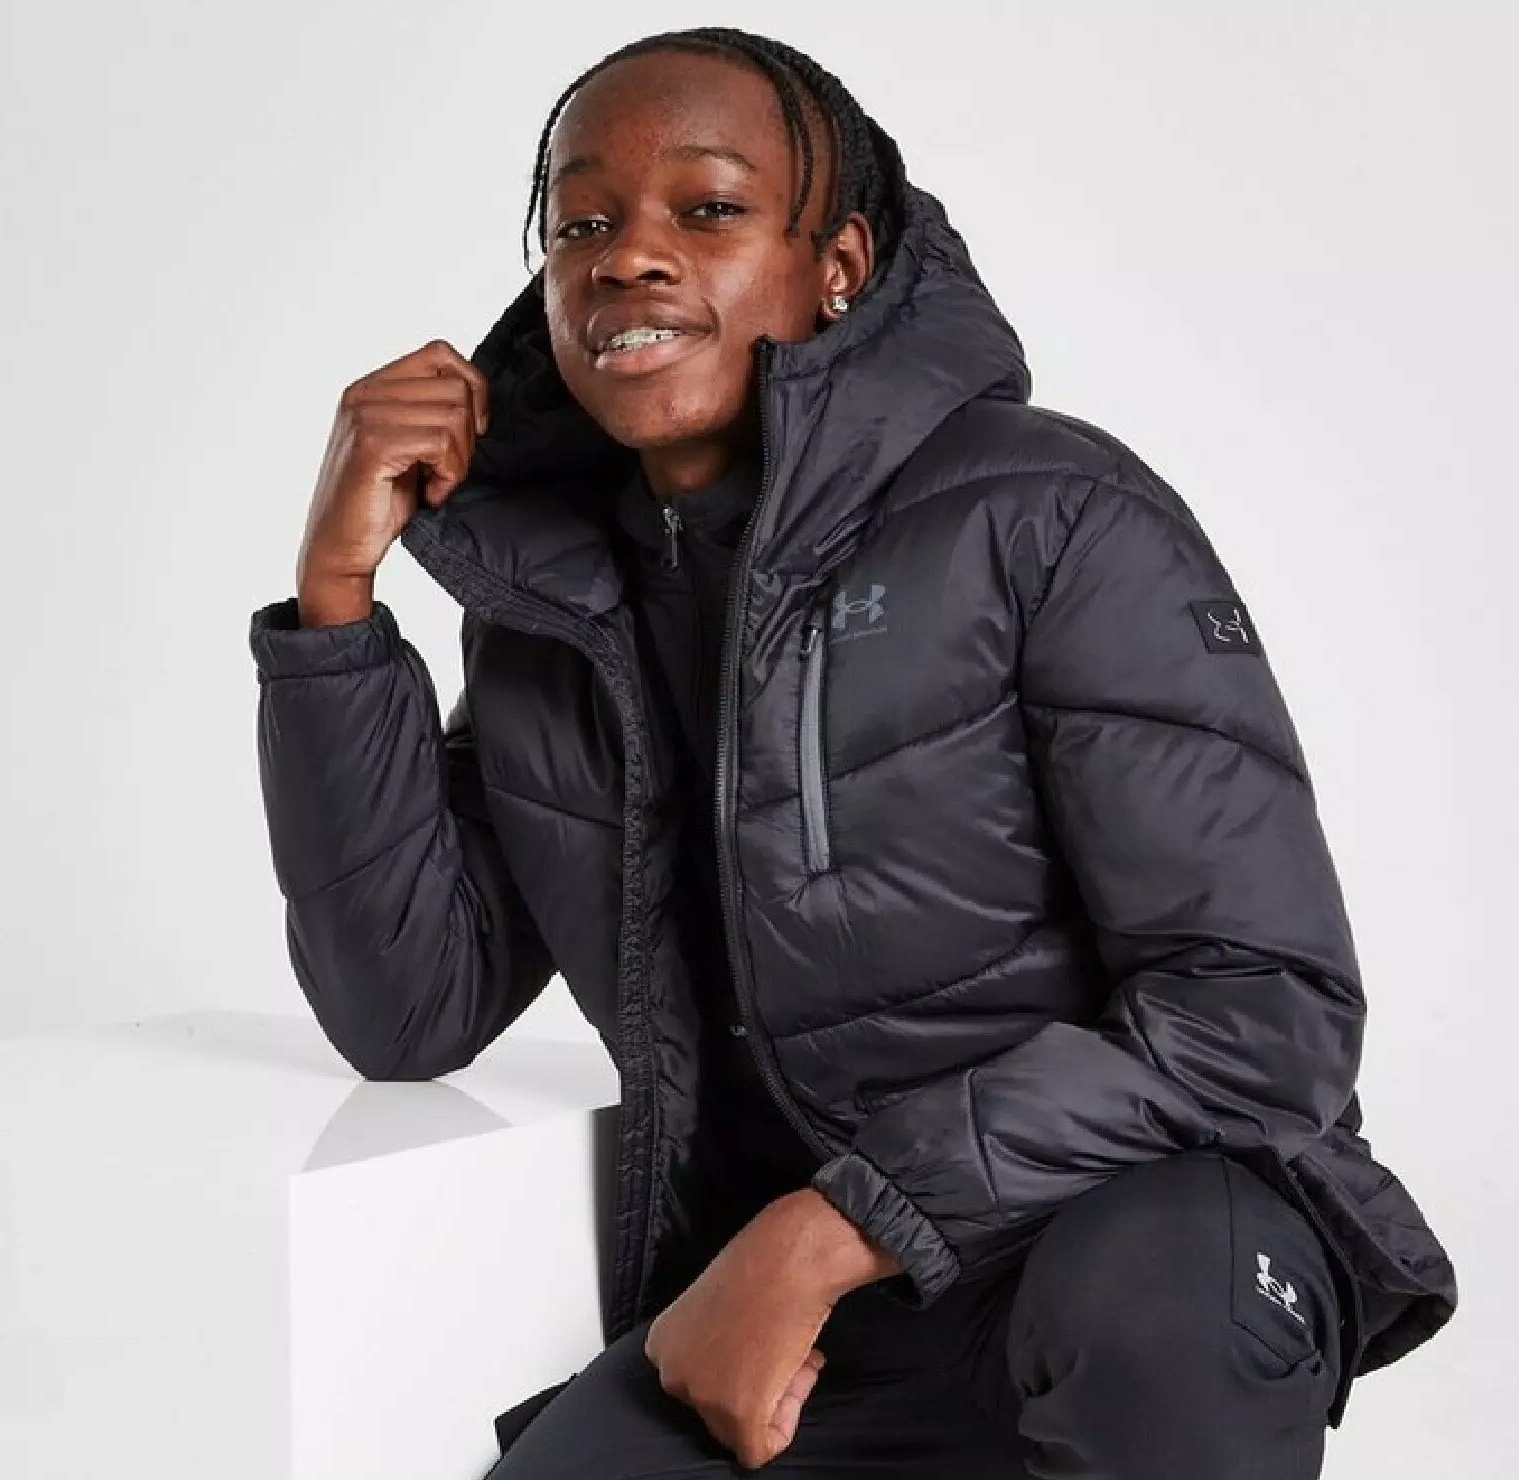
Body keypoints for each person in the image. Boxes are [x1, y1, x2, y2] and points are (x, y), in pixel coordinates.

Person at [247, 25, 1457, 1480]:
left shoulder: (1050, 514)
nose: (629, 258)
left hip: (1132, 1240)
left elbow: (1263, 1015)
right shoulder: (556, 615)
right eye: (581, 225)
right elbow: (409, 1010)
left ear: (839, 265)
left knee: (1149, 1312)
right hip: (807, 1318)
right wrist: (334, 604)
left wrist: (828, 1233)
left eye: (708, 208)